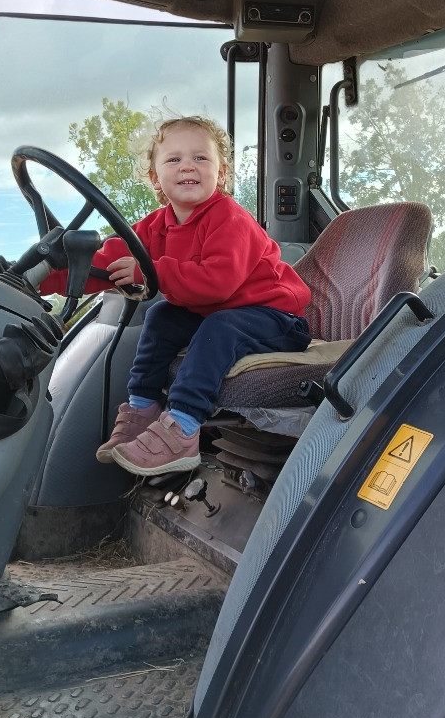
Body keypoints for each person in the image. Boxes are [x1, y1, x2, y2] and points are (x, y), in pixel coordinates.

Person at [40, 116, 311, 477]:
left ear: (222, 172)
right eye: (173, 159)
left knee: (221, 325)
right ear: (154, 177)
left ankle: (183, 426)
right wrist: (38, 276)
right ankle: (143, 408)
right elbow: (104, 262)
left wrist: (151, 269)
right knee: (162, 316)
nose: (187, 165)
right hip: (220, 314)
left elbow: (217, 284)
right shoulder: (155, 226)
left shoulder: (229, 218)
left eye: (201, 158)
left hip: (276, 319)